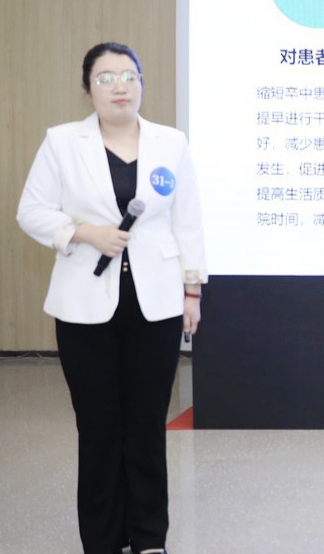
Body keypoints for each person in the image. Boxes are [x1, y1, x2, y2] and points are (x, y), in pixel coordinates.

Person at [17, 43, 207, 554]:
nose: (119, 86)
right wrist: (84, 232)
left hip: (157, 303)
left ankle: (148, 538)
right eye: (105, 78)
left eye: (129, 76)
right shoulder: (62, 142)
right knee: (99, 426)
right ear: (88, 88)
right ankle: (102, 540)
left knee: (146, 424)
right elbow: (31, 211)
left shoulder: (171, 143)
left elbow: (188, 219)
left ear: (142, 83)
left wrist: (192, 289)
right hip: (84, 304)